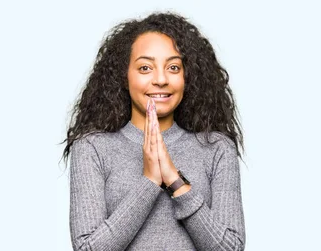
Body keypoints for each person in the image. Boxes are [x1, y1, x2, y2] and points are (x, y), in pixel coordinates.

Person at [62, 11, 245, 251]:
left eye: (173, 67)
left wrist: (174, 181)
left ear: (187, 77)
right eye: (145, 68)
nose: (161, 79)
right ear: (124, 76)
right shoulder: (92, 148)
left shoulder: (217, 148)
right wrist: (149, 182)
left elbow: (231, 248)